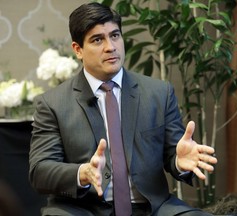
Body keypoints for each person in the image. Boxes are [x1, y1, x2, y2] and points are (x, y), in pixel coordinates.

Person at [29, 2, 217, 216]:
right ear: (78, 49)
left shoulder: (158, 93)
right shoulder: (53, 103)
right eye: (97, 39)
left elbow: (174, 155)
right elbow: (40, 171)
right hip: (82, 210)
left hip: (152, 209)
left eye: (115, 35)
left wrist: (179, 162)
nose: (110, 46)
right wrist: (82, 173)